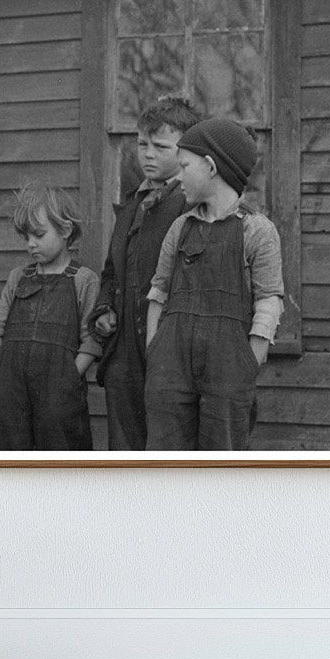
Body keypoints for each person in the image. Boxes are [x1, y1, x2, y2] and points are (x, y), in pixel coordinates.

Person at [143, 117, 284, 451]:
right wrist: (154, 347)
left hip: (229, 372)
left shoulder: (257, 231)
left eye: (184, 166)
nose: (177, 178)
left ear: (209, 166)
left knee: (222, 465)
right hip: (170, 368)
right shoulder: (180, 228)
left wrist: (253, 357)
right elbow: (159, 292)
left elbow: (269, 299)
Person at [88, 95, 201, 450]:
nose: (147, 153)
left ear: (185, 150)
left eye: (160, 146)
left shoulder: (191, 203)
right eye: (141, 144)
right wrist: (104, 310)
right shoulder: (130, 206)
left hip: (167, 351)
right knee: (124, 452)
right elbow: (111, 274)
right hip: (123, 355)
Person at [0, 185, 102, 450]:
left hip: (58, 392)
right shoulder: (18, 277)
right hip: (10, 388)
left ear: (66, 230)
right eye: (26, 237)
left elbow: (92, 339)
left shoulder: (84, 280)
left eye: (38, 234)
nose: (30, 244)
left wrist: (69, 377)